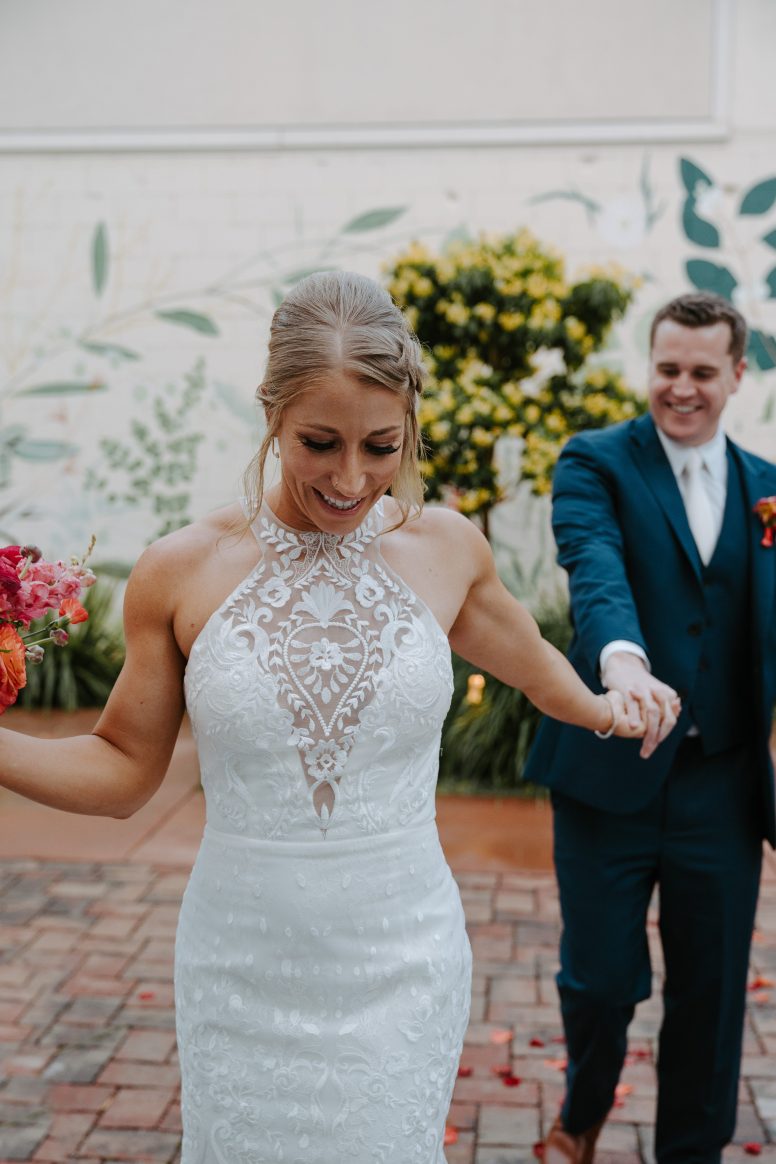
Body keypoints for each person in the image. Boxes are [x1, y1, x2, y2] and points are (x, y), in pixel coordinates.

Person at [0, 271, 647, 1164]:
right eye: (319, 442)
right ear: (272, 414)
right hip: (240, 961)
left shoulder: (447, 550)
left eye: (382, 446)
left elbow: (542, 675)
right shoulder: (180, 570)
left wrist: (615, 710)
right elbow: (119, 770)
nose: (351, 479)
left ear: (411, 425)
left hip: (402, 956)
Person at [524, 291, 776, 1164]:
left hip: (724, 786)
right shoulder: (594, 463)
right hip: (610, 774)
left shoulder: (769, 491)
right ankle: (584, 1111)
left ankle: (691, 1152)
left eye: (703, 372)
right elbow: (594, 566)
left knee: (710, 994)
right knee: (597, 980)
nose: (681, 388)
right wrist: (622, 663)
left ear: (737, 374)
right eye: (667, 368)